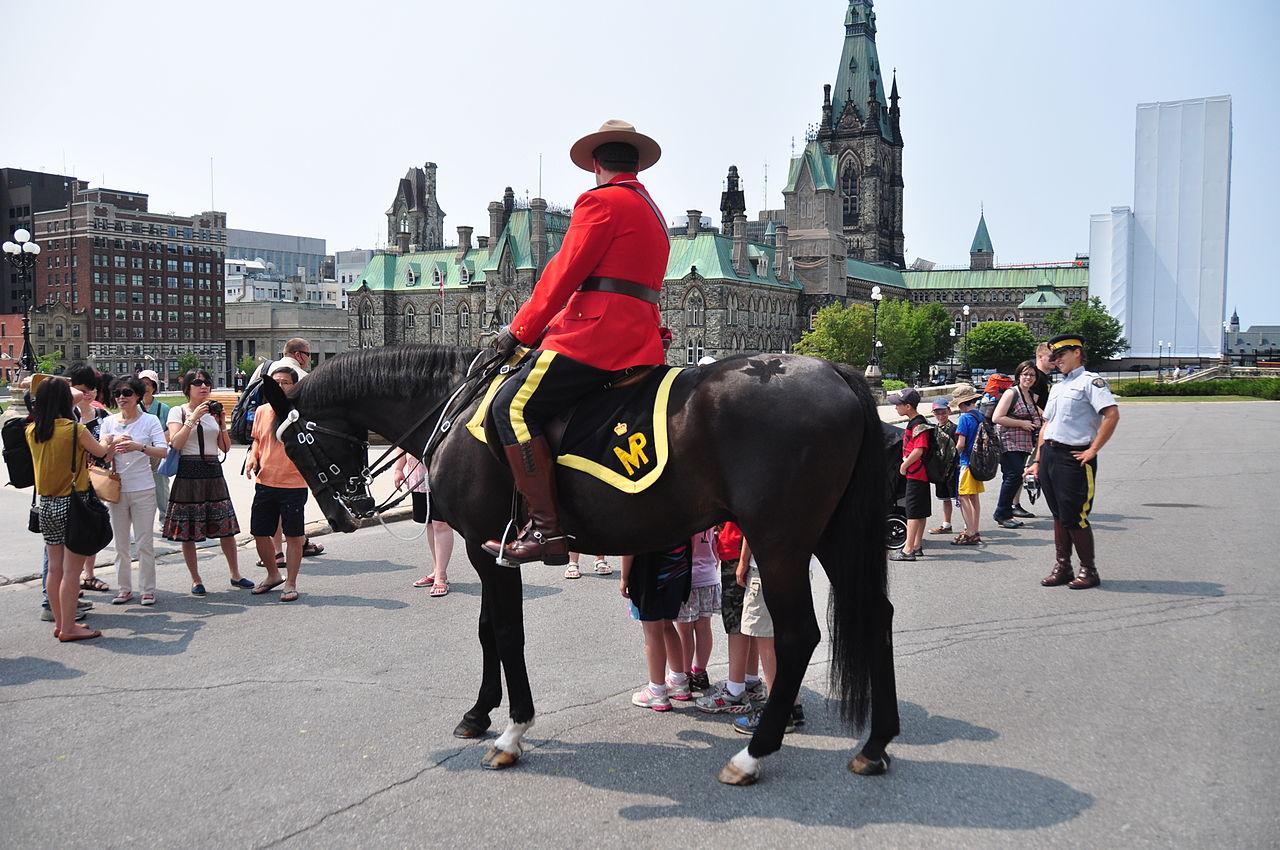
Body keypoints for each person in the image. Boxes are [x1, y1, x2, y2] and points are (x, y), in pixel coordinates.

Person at [483, 120, 669, 566]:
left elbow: (562, 276)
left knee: (510, 407)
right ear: (637, 164)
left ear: (596, 165)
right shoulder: (654, 212)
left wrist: (518, 332)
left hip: (598, 339)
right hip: (640, 338)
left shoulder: (601, 202)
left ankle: (547, 532)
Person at [26, 377, 114, 641]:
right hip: (73, 504)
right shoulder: (75, 430)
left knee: (54, 569)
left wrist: (52, 386)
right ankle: (68, 627)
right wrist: (108, 440)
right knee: (72, 572)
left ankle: (61, 623)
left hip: (47, 504)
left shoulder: (32, 431)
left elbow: (67, 397)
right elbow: (103, 453)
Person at [1029, 334, 1120, 590]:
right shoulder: (1058, 386)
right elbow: (1047, 424)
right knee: (1058, 515)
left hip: (1075, 456)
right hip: (1050, 455)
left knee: (1075, 516)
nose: (1056, 361)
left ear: (1077, 353)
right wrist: (1037, 459)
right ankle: (1063, 566)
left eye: (1061, 356)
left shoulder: (1091, 381)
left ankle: (1088, 570)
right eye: (1053, 358)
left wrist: (1093, 449)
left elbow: (1112, 415)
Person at [164, 369, 248, 595]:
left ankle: (235, 574)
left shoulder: (213, 412)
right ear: (187, 388)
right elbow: (176, 443)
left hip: (212, 471)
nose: (203, 386)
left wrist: (221, 423)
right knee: (188, 531)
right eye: (198, 383)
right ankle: (196, 579)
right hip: (188, 472)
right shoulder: (177, 411)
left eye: (207, 383)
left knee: (226, 528)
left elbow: (225, 447)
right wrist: (192, 419)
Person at [101, 376, 170, 606]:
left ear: (138, 395)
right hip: (117, 490)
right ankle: (124, 588)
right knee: (121, 543)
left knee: (144, 542)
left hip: (143, 488)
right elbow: (102, 456)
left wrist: (138, 446)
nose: (122, 397)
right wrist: (111, 444)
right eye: (118, 393)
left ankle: (147, 589)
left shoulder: (149, 421)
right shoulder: (109, 423)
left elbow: (163, 451)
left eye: (127, 393)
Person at [244, 366, 310, 602]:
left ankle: (290, 582)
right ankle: (273, 575)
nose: (279, 386)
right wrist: (253, 457)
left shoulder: (301, 411)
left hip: (294, 483)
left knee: (293, 536)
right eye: (275, 382)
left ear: (295, 386)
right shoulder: (262, 411)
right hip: (265, 481)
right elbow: (256, 441)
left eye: (285, 382)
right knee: (259, 532)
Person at [731, 536, 805, 735]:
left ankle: (777, 713)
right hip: (795, 568)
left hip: (765, 568)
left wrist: (743, 561)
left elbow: (753, 522)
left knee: (767, 644)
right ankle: (793, 704)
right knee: (785, 642)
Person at [695, 520, 765, 714]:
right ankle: (750, 679)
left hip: (738, 551)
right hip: (740, 550)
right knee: (748, 620)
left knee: (736, 624)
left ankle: (735, 690)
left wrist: (742, 561)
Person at [620, 542, 691, 712]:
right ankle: (678, 680)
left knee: (652, 632)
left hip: (650, 572)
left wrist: (624, 577)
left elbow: (630, 543)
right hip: (678, 565)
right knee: (668, 624)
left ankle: (657, 690)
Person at [67, 364, 111, 593]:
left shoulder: (102, 414)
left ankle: (89, 575)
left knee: (93, 528)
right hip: (72, 484)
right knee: (73, 532)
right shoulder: (67, 416)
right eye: (83, 388)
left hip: (97, 481)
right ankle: (71, 582)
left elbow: (108, 448)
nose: (89, 393)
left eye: (93, 388)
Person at [394, 450, 454, 597]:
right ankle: (436, 570)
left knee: (441, 524)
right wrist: (398, 468)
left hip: (441, 473)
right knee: (430, 524)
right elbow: (403, 441)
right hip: (418, 475)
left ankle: (440, 576)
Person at [992, 361, 1044, 529]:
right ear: (1018, 376)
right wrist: (1022, 424)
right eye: (1025, 374)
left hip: (1024, 443)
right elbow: (997, 417)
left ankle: (1006, 512)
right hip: (1008, 441)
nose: (1028, 377)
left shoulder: (1031, 395)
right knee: (1013, 476)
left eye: (1032, 375)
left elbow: (1039, 414)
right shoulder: (1011, 393)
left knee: (1015, 477)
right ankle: (1002, 513)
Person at [673, 528, 721, 698]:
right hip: (709, 575)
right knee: (704, 628)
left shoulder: (689, 519)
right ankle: (700, 672)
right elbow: (716, 550)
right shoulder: (709, 521)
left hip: (688, 578)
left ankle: (685, 674)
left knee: (684, 631)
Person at [889, 388, 930, 561]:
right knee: (920, 512)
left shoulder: (918, 424)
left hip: (916, 473)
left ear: (908, 406)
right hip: (921, 474)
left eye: (898, 405)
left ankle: (908, 550)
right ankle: (917, 545)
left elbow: (919, 450)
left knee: (912, 513)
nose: (895, 408)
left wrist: (904, 466)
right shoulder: (916, 422)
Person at [950, 383, 986, 546]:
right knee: (974, 497)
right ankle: (975, 528)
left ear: (962, 403)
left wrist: (951, 457)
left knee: (963, 496)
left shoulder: (964, 418)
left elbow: (961, 444)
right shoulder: (979, 416)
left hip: (966, 461)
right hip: (978, 462)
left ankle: (970, 532)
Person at [138, 369, 172, 527]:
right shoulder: (134, 406)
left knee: (161, 487)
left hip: (157, 454)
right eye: (142, 383)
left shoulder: (162, 408)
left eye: (149, 384)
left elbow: (169, 430)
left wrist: (158, 443)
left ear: (154, 386)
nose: (146, 387)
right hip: (138, 454)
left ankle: (165, 518)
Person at [928, 398, 959, 536]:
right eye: (937, 412)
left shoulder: (955, 429)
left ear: (949, 411)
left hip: (954, 468)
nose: (940, 415)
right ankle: (947, 524)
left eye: (943, 412)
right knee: (945, 498)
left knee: (961, 498)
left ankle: (968, 526)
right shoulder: (933, 430)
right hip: (941, 470)